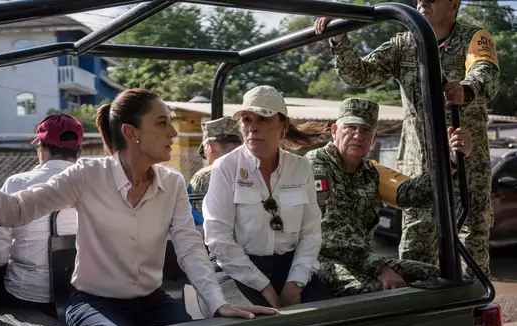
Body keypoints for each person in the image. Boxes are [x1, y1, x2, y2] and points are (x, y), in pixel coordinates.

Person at [0, 88, 277, 326]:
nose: (173, 133)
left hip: (152, 300)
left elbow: (190, 248)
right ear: (131, 133)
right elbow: (17, 209)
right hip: (93, 302)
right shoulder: (87, 174)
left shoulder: (172, 183)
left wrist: (218, 303)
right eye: (162, 123)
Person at [314, 0, 500, 277]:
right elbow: (359, 74)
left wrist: (467, 89)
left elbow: (486, 73)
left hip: (466, 164)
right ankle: (420, 315)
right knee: (416, 245)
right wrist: (340, 40)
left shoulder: (474, 36)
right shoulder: (405, 43)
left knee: (470, 242)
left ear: (453, 3)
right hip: (419, 166)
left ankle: (470, 312)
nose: (422, 0)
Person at [304, 98, 472, 295]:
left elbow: (410, 193)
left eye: (366, 130)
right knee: (381, 291)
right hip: (320, 261)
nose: (358, 135)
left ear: (373, 138)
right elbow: (329, 229)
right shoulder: (317, 163)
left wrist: (452, 161)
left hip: (362, 261)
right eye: (350, 127)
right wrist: (381, 269)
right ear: (334, 131)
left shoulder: (370, 172)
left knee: (439, 275)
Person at [203, 85, 331, 309]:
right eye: (246, 120)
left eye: (262, 119)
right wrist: (265, 288)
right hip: (237, 268)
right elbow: (218, 238)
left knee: (322, 315)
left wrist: (295, 283)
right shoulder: (226, 167)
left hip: (289, 266)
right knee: (253, 323)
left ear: (283, 126)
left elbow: (311, 232)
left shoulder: (300, 167)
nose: (253, 128)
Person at [0, 114, 81, 317]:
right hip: (81, 296)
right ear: (79, 152)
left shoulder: (16, 183)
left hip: (24, 293)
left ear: (41, 149)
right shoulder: (92, 184)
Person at [189, 117, 243, 216]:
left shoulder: (203, 176)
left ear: (211, 147)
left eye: (204, 151)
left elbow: (196, 216)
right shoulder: (254, 168)